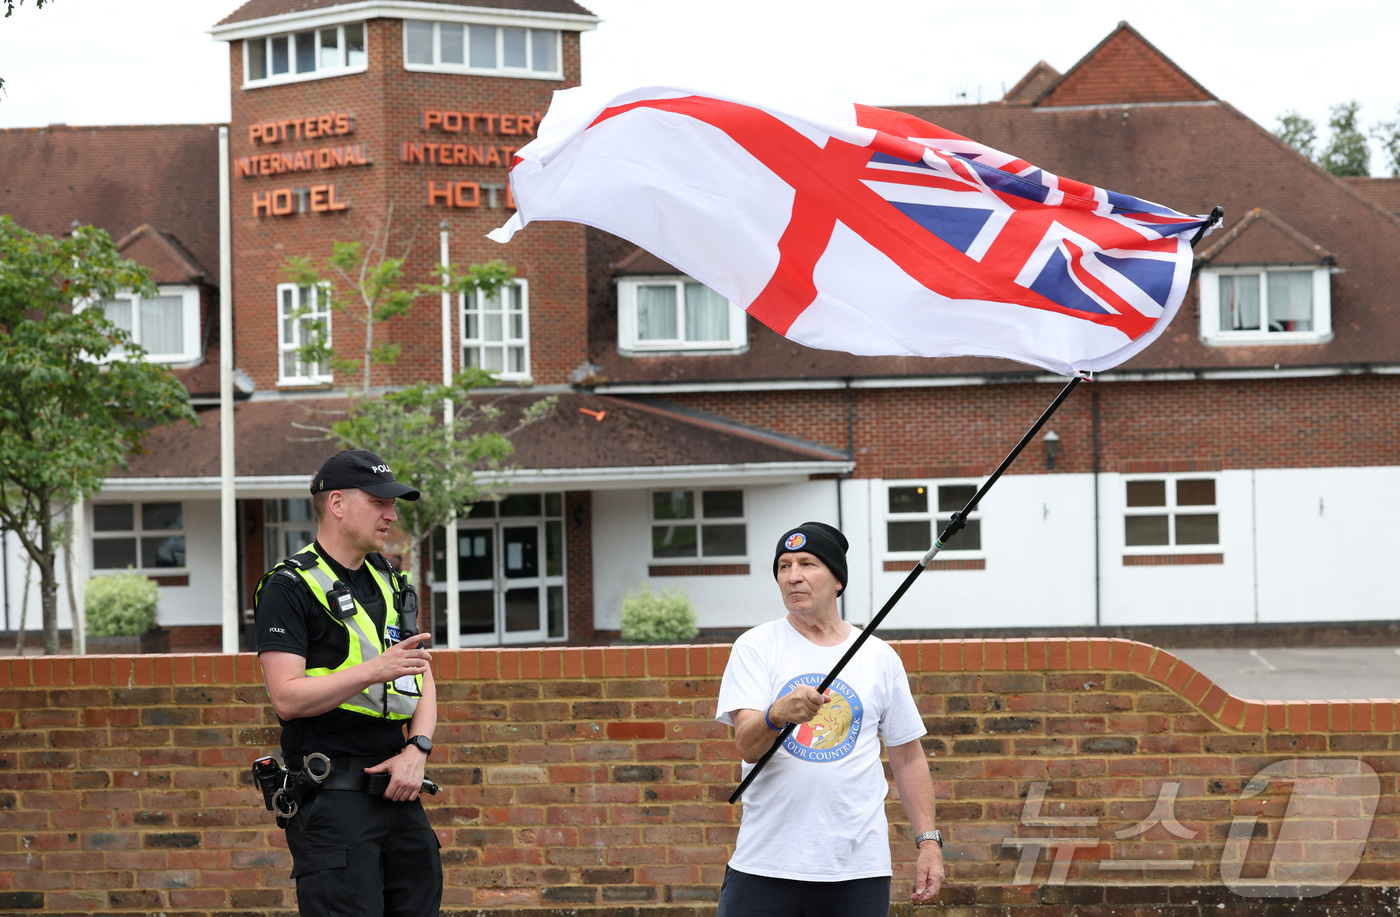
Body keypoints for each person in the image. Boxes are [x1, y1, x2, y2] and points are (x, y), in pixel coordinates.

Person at [715, 521, 944, 916]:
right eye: (784, 566)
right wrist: (776, 714)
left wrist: (929, 842)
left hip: (858, 870)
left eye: (807, 564)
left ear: (838, 580)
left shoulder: (878, 657)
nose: (793, 576)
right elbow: (747, 746)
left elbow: (908, 758)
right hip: (765, 865)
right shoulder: (755, 647)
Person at [255, 449, 442, 917]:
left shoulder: (389, 578)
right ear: (337, 503)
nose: (391, 514)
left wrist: (418, 749)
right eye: (379, 502)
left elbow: (419, 671)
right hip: (331, 799)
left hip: (399, 790)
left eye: (393, 504)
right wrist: (373, 670)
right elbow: (286, 698)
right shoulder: (288, 586)